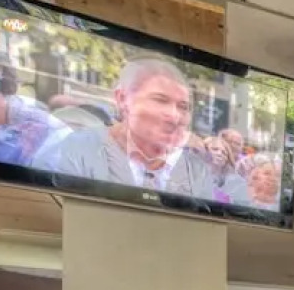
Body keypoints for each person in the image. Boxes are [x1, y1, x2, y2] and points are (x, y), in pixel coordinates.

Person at [46, 57, 246, 202]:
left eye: (183, 107)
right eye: (160, 100)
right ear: (123, 99)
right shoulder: (74, 149)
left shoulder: (196, 170)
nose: (174, 115)